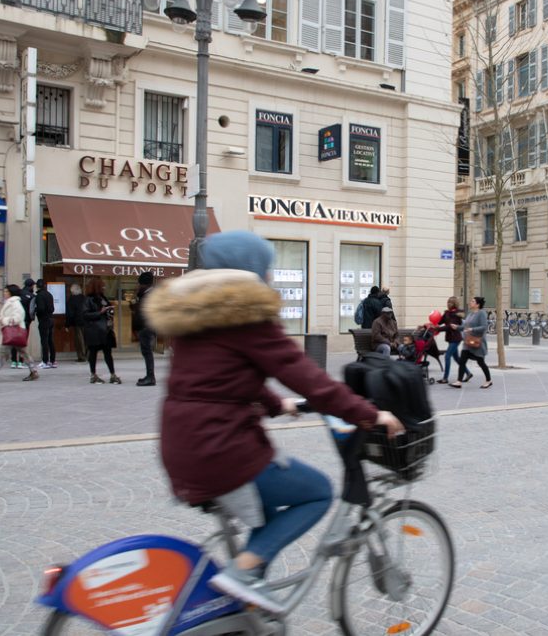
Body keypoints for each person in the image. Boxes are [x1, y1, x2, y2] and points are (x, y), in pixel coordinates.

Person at [144, 230, 403, 613]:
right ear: (249, 271)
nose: (269, 278)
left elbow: (217, 380)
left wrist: (275, 403)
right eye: (266, 269)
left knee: (265, 519)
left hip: (182, 445)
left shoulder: (194, 318)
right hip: (220, 450)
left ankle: (244, 606)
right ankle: (242, 575)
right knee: (316, 492)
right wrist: (369, 413)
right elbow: (307, 376)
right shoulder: (246, 316)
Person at [0, 284, 39, 382]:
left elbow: (18, 318)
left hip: (13, 333)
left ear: (11, 293)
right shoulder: (11, 302)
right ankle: (34, 371)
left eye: (6, 291)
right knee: (22, 353)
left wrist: (4, 320)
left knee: (3, 353)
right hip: (13, 333)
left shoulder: (15, 303)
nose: (4, 293)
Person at [83, 277, 121, 384]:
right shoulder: (88, 299)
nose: (104, 287)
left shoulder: (102, 297)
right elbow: (85, 315)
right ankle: (93, 374)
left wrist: (110, 310)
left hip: (105, 330)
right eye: (102, 285)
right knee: (93, 353)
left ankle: (112, 374)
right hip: (95, 330)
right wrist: (100, 312)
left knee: (108, 353)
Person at [449, 296, 492, 389]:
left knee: (481, 362)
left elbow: (484, 327)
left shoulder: (482, 313)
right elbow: (465, 326)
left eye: (472, 301)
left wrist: (472, 329)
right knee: (462, 361)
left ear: (477, 304)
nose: (470, 302)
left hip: (477, 343)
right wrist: (457, 327)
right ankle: (459, 381)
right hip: (468, 342)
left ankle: (488, 380)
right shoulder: (470, 314)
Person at [132, 271, 157, 386]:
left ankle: (150, 377)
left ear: (144, 284)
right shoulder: (146, 294)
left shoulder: (148, 295)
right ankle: (149, 376)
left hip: (146, 327)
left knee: (147, 352)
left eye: (140, 283)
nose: (138, 286)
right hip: (145, 326)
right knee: (146, 352)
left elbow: (143, 311)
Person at [439, 296, 464, 384]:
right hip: (450, 338)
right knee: (456, 358)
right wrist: (432, 324)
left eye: (450, 302)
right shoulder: (446, 313)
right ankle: (468, 373)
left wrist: (438, 329)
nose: (448, 304)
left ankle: (445, 378)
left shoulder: (457, 314)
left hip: (456, 338)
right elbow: (439, 322)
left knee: (447, 356)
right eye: (448, 302)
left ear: (454, 304)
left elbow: (450, 326)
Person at [34, 279, 56, 368]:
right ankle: (53, 361)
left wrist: (36, 311)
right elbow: (52, 309)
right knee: (50, 340)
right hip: (51, 319)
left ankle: (45, 361)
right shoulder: (49, 294)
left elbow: (41, 309)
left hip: (43, 320)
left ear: (37, 286)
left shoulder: (39, 296)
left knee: (44, 341)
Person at [65, 283, 88, 362]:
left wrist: (67, 325)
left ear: (72, 291)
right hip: (87, 321)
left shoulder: (71, 300)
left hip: (77, 322)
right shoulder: (85, 298)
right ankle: (87, 355)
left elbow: (70, 314)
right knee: (86, 339)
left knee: (79, 340)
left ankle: (81, 356)